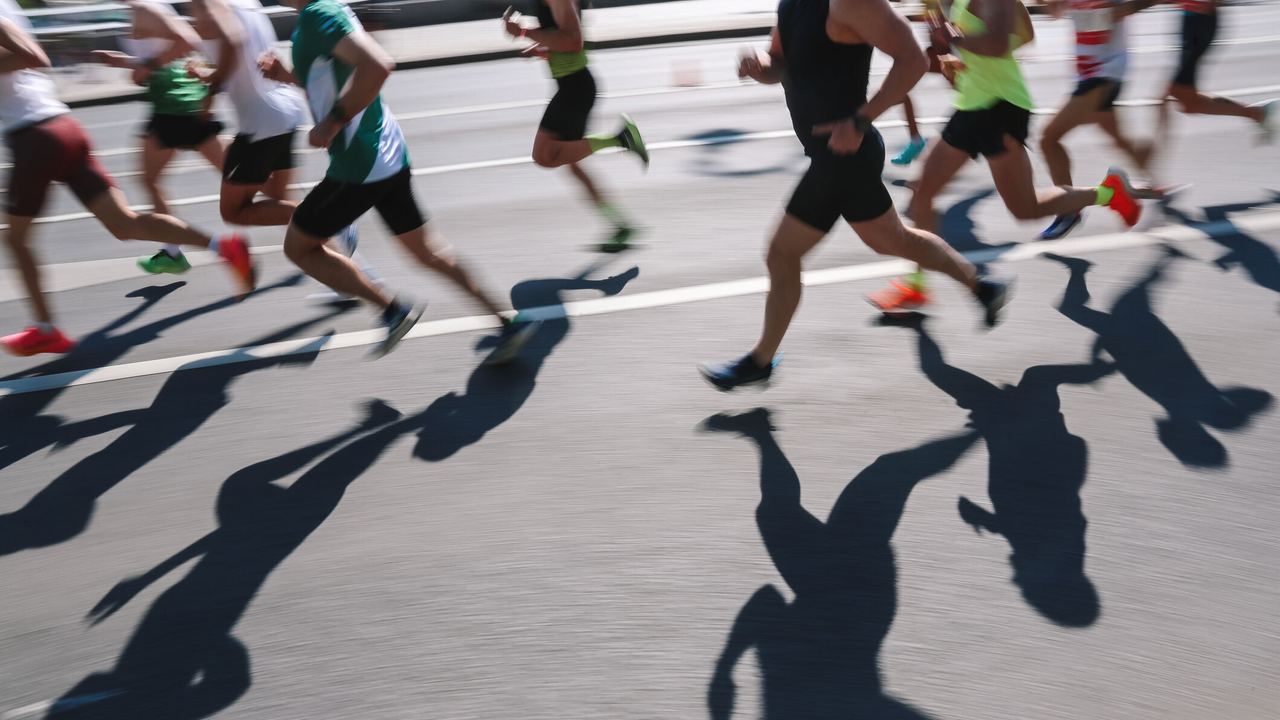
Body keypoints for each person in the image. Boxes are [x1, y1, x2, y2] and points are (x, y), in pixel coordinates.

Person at [698, 0, 1010, 392]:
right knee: (893, 240)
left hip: (843, 157)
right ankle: (983, 287)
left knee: (783, 251)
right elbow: (779, 61)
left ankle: (761, 359)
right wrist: (757, 64)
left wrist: (861, 120)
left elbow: (912, 60)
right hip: (834, 156)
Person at [260, 0, 540, 360]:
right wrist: (287, 76)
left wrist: (332, 122)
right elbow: (335, 75)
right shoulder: (322, 13)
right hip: (387, 153)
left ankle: (393, 311)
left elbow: (377, 65)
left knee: (299, 247)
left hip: (359, 165)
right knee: (428, 253)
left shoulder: (318, 16)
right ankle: (508, 322)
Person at [867, 0, 1157, 315]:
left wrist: (957, 41)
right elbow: (1023, 35)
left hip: (1000, 106)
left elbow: (999, 43)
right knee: (922, 193)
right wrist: (954, 55)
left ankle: (1109, 192)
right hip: (971, 104)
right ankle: (917, 287)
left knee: (1026, 208)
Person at [0, 0, 254, 357]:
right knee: (125, 224)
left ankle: (45, 329)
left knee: (16, 239)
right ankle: (222, 247)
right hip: (62, 128)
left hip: (35, 136)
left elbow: (33, 55)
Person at [185, 0, 380, 303]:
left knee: (234, 210)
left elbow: (234, 41)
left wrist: (210, 90)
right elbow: (245, 53)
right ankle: (354, 274)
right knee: (279, 205)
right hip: (285, 109)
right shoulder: (246, 2)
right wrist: (209, 75)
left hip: (260, 121)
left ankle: (335, 223)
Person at [91, 0, 228, 275]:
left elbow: (186, 41)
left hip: (174, 107)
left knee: (239, 178)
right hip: (178, 105)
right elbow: (167, 50)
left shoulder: (145, 8)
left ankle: (315, 225)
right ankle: (172, 250)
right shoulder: (146, 8)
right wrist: (124, 62)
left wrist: (149, 67)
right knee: (239, 176)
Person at [502, 0, 649, 252]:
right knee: (572, 164)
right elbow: (564, 40)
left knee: (545, 155)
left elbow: (573, 42)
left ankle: (620, 139)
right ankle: (621, 225)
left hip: (575, 89)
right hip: (571, 85)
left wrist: (524, 32)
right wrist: (541, 49)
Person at [1037, 0, 1161, 241]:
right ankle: (1157, 188)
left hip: (1103, 73)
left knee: (1048, 139)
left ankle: (1069, 209)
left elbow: (1130, 7)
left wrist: (1119, 11)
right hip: (1091, 73)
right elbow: (1052, 10)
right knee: (1118, 139)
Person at [1160, 0, 1275, 142]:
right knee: (1190, 103)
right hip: (1191, 19)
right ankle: (1256, 113)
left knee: (1178, 91)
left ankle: (1257, 113)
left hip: (1199, 20)